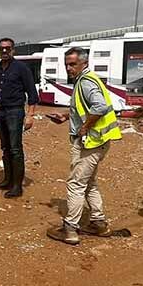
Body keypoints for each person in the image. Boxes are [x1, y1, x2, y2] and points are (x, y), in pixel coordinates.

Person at [45, 47, 122, 245]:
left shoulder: (86, 81)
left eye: (72, 64)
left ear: (84, 63)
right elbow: (84, 107)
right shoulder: (85, 80)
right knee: (89, 183)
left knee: (76, 184)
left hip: (90, 143)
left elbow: (100, 106)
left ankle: (70, 229)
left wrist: (85, 127)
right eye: (66, 65)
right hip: (99, 142)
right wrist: (65, 115)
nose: (68, 68)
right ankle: (98, 223)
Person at [0, 38, 39, 198]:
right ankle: (7, 180)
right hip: (0, 113)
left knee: (15, 148)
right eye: (1, 49)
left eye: (7, 48)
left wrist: (30, 115)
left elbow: (32, 93)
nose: (4, 51)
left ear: (13, 50)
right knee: (5, 148)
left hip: (15, 112)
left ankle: (17, 186)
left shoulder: (21, 68)